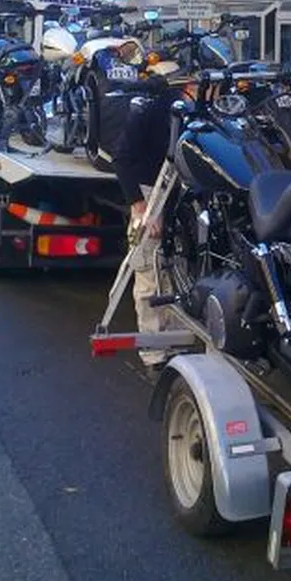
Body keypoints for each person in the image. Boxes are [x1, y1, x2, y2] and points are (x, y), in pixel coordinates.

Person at [113, 83, 185, 380]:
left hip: (178, 194)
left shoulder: (197, 110)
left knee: (177, 274)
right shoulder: (151, 109)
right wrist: (141, 207)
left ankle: (176, 345)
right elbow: (122, 158)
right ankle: (154, 355)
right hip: (150, 193)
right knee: (149, 274)